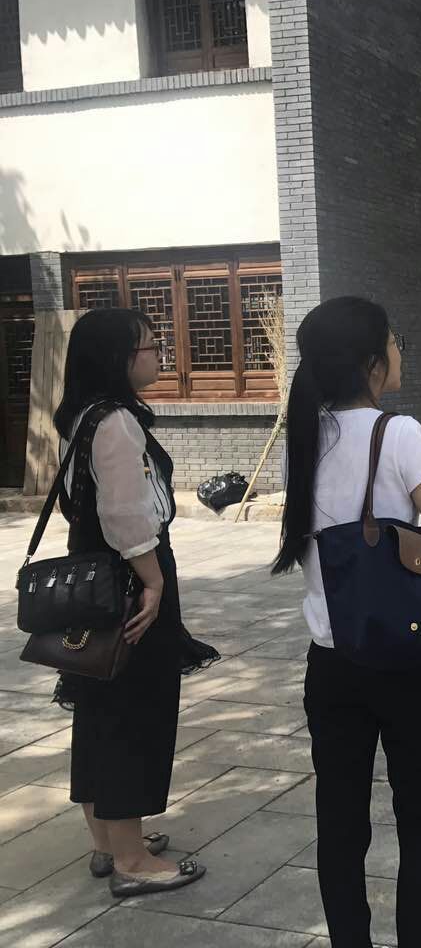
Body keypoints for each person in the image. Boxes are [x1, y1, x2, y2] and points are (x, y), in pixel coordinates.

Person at [272, 297, 421, 947]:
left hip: (331, 661)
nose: (401, 352)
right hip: (409, 662)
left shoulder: (304, 439)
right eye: (395, 341)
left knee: (341, 821)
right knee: (420, 815)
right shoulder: (399, 433)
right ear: (373, 362)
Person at [52, 309, 218, 897]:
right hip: (128, 578)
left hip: (91, 576)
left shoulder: (79, 414)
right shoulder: (117, 421)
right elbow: (126, 515)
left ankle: (109, 839)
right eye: (150, 346)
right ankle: (132, 861)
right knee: (133, 711)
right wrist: (153, 582)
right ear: (119, 358)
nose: (158, 355)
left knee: (99, 705)